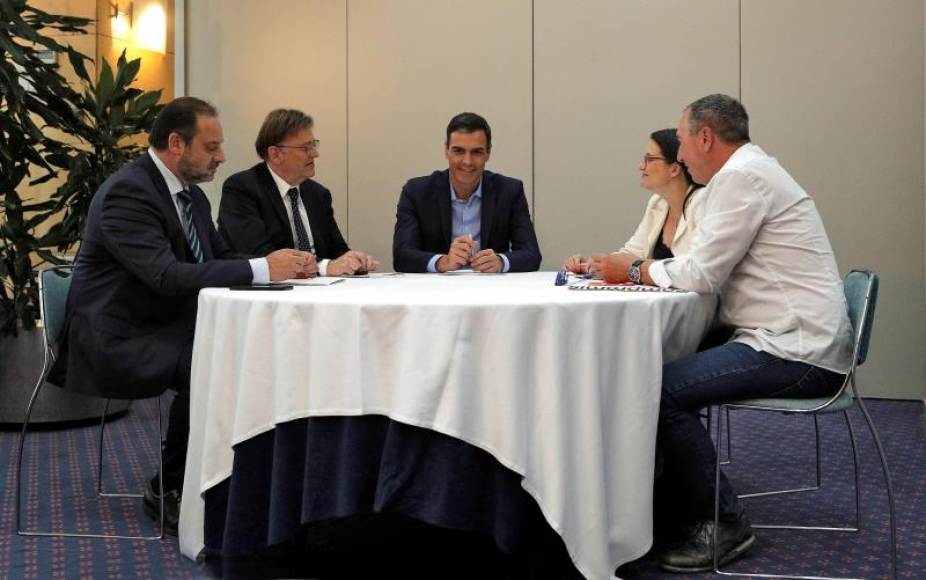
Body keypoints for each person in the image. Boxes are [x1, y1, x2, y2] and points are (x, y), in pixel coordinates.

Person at [592, 94, 853, 572]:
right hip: (788, 336)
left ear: (705, 137)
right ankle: (672, 508)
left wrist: (633, 270)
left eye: (684, 141)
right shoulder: (750, 172)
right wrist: (644, 269)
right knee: (660, 375)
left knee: (664, 388)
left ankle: (724, 520)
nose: (682, 154)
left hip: (796, 351)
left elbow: (703, 272)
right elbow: (700, 267)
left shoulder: (740, 178)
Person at [48, 97, 316, 536]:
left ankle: (228, 476)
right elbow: (167, 276)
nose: (222, 157)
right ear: (176, 143)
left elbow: (222, 256)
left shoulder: (189, 196)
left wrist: (284, 266)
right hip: (114, 337)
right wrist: (265, 268)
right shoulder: (127, 192)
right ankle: (169, 487)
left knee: (241, 350)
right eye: (211, 148)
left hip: (163, 325)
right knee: (209, 362)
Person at [219, 109, 377, 275]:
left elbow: (336, 250)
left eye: (313, 145)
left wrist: (352, 260)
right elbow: (262, 257)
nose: (315, 154)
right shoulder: (242, 189)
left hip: (321, 290)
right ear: (275, 154)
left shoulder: (318, 194)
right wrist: (324, 267)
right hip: (272, 294)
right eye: (305, 148)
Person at [392, 112, 541, 273]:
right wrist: (442, 262)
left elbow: (531, 254)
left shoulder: (510, 191)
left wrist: (501, 261)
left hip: (491, 290)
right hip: (436, 291)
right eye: (458, 151)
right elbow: (402, 256)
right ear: (446, 150)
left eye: (477, 152)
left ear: (488, 153)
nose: (467, 161)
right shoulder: (416, 192)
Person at [562, 128, 704, 273]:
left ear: (674, 169)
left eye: (650, 159)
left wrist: (634, 268)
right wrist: (593, 266)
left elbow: (696, 268)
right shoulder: (658, 203)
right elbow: (632, 253)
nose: (641, 166)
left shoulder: (703, 203)